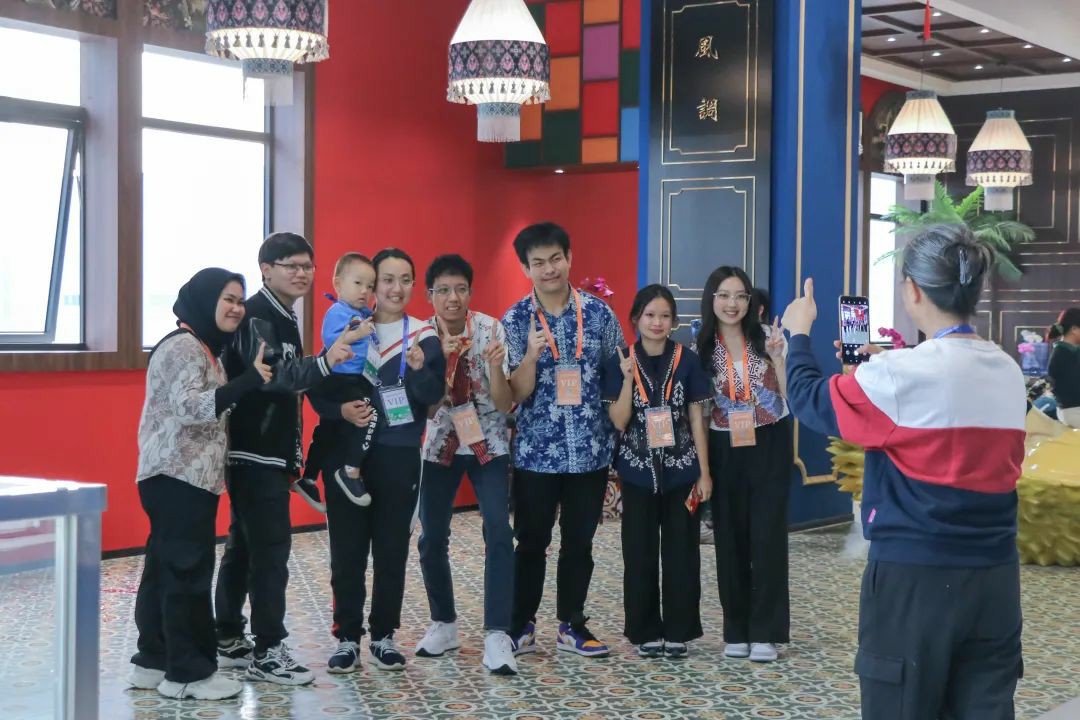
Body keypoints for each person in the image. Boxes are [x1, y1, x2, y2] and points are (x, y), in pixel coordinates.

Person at [782, 223, 1027, 720]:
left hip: (915, 579)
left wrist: (798, 334)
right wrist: (890, 366)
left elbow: (808, 399)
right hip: (996, 578)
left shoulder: (896, 375)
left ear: (913, 290)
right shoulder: (1007, 370)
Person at [214, 232, 361, 685]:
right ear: (266, 269)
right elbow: (274, 376)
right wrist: (326, 362)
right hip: (255, 452)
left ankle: (228, 636)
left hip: (262, 453)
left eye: (307, 266)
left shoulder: (281, 314)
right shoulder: (260, 315)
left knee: (245, 546)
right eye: (290, 265)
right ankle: (268, 652)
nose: (301, 273)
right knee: (271, 552)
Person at [129, 269, 271, 700]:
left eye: (240, 301)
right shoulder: (185, 346)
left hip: (181, 478)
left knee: (164, 570)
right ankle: (189, 674)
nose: (237, 308)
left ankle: (153, 662)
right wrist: (249, 381)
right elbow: (191, 409)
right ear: (205, 300)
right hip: (179, 477)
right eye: (228, 299)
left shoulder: (204, 347)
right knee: (188, 574)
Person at [308, 247, 445, 672]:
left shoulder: (423, 335)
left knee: (390, 550)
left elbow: (433, 397)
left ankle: (384, 635)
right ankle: (347, 637)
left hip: (398, 455)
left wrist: (419, 369)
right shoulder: (349, 327)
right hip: (346, 454)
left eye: (405, 280)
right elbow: (317, 386)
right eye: (386, 279)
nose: (395, 288)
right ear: (371, 285)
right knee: (346, 551)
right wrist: (339, 411)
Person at [502, 222, 625, 658]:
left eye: (556, 258)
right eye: (538, 262)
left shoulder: (599, 314)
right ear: (525, 268)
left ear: (569, 258)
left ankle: (573, 625)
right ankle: (521, 625)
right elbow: (514, 394)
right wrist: (531, 356)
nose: (549, 269)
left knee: (580, 543)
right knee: (530, 542)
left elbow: (617, 374)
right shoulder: (515, 320)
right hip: (536, 453)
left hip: (590, 450)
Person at [413, 254, 518, 675]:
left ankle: (497, 633)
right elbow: (424, 408)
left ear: (471, 292)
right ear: (430, 295)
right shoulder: (421, 336)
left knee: (499, 530)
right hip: (439, 442)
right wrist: (441, 363)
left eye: (460, 289)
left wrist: (494, 367)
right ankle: (444, 623)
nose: (452, 298)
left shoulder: (492, 329)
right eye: (443, 290)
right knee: (431, 536)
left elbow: (505, 403)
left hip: (488, 440)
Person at [602, 284, 712, 659]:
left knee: (682, 552)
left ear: (674, 321)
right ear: (636, 318)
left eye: (665, 316)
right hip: (636, 472)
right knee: (639, 553)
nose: (657, 322)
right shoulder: (620, 359)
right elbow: (619, 421)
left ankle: (678, 630)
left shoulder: (688, 360)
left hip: (682, 471)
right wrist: (627, 379)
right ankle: (645, 629)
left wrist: (705, 472)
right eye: (650, 315)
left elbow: (696, 419)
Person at [698, 266, 791, 664]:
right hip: (725, 444)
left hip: (769, 439)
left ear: (750, 301)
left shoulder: (768, 337)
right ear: (712, 299)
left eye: (740, 296)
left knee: (767, 537)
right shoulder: (701, 347)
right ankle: (736, 629)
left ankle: (765, 631)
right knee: (730, 537)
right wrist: (704, 468)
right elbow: (701, 412)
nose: (732, 304)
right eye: (724, 295)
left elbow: (790, 395)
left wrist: (780, 360)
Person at [317, 253, 379, 506]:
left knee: (363, 418)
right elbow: (331, 340)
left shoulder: (362, 312)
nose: (365, 291)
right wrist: (357, 333)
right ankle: (350, 470)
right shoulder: (337, 311)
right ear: (338, 284)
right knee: (368, 417)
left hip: (361, 377)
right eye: (358, 283)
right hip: (343, 378)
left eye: (370, 286)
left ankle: (332, 471)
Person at [1047, 307, 1080, 428]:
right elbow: (1072, 389)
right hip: (1073, 412)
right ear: (1074, 329)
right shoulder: (1061, 354)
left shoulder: (1072, 351)